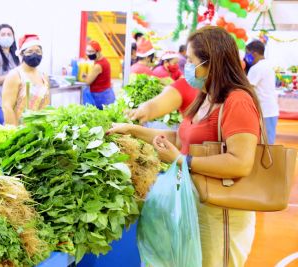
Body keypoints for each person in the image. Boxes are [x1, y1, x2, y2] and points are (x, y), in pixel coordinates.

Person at [108, 26, 261, 267]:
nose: (186, 67)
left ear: (211, 62)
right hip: (194, 204)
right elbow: (182, 139)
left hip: (220, 213)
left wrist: (181, 160)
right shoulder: (206, 96)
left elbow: (240, 163)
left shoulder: (238, 101)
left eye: (190, 61)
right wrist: (132, 130)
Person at [2, 34, 49, 125]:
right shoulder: (15, 75)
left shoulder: (43, 76)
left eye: (38, 51)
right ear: (22, 53)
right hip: (19, 129)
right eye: (30, 51)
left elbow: (46, 106)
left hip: (38, 131)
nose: (34, 54)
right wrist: (14, 134)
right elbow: (7, 107)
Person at [245, 40, 279, 144]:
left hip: (265, 110)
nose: (246, 56)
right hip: (270, 109)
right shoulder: (268, 65)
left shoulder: (256, 68)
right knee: (268, 142)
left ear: (254, 53)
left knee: (264, 144)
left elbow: (247, 87)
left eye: (247, 53)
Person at [82, 40, 115, 110]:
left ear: (98, 52)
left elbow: (88, 81)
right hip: (107, 93)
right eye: (88, 52)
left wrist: (84, 76)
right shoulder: (104, 61)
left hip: (101, 96)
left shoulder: (98, 65)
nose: (89, 54)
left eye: (91, 51)